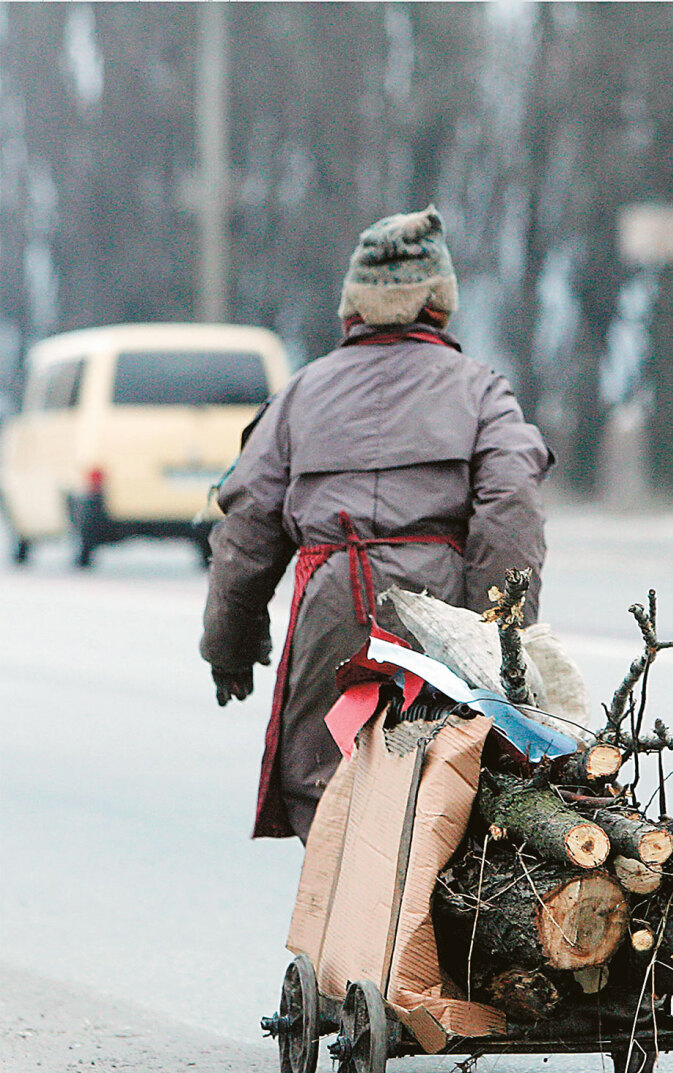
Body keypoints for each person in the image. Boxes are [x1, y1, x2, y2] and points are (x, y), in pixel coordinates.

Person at [200, 205, 552, 842]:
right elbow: (511, 516)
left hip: (330, 617)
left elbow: (246, 530)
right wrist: (500, 644)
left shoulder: (301, 396)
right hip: (438, 621)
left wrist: (228, 647)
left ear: (351, 310)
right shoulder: (482, 393)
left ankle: (336, 936)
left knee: (326, 794)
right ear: (440, 307)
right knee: (453, 801)